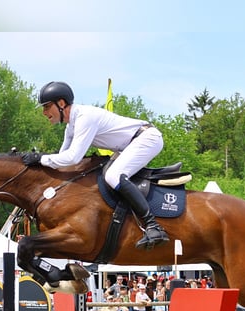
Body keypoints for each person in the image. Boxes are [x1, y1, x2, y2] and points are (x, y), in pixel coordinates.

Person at [22, 81, 169, 250]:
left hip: (147, 138)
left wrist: (41, 158)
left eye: (47, 107)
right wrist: (38, 165)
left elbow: (73, 158)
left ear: (61, 104)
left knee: (113, 176)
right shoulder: (71, 127)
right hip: (130, 144)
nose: (44, 112)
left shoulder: (85, 117)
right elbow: (62, 162)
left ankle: (153, 226)